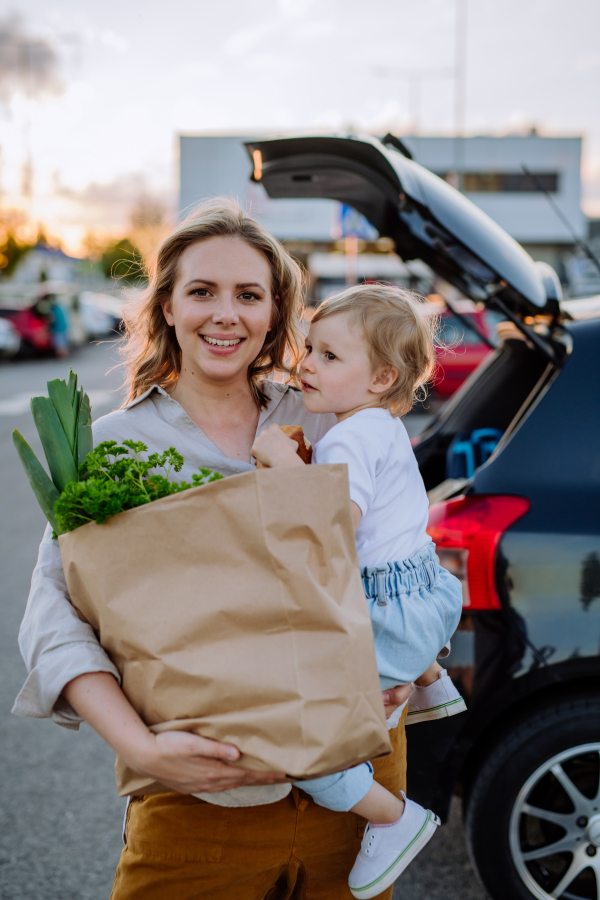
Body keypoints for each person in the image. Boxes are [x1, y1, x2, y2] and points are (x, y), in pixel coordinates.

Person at [12, 200, 410, 900]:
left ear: (274, 311)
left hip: (360, 787)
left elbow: (400, 540)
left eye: (248, 295)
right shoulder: (110, 445)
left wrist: (413, 659)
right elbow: (54, 615)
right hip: (201, 800)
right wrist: (139, 748)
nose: (225, 314)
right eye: (202, 292)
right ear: (167, 306)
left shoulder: (328, 416)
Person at [252, 284, 465, 899]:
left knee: (313, 750)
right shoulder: (380, 426)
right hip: (421, 594)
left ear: (381, 378)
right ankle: (428, 681)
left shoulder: (347, 436)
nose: (306, 364)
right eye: (310, 348)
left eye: (328, 356)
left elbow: (333, 522)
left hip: (384, 615)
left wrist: (277, 458)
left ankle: (393, 819)